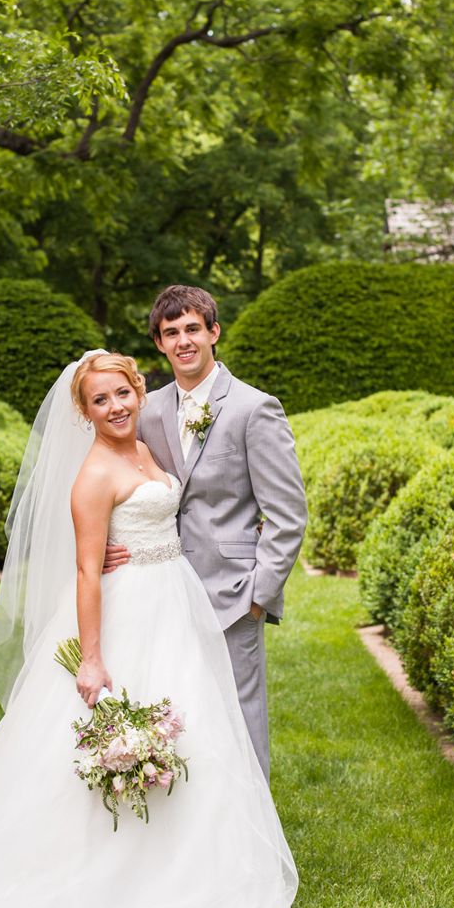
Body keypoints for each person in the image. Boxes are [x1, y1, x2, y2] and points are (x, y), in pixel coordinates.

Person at [0, 351, 298, 908]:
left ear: (139, 392)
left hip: (175, 602)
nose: (115, 407)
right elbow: (88, 572)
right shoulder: (91, 476)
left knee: (193, 725)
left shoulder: (146, 449)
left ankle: (193, 857)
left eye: (122, 393)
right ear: (84, 412)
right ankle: (99, 867)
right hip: (126, 611)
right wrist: (90, 658)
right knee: (112, 732)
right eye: (100, 400)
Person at [104, 286, 307, 780]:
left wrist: (258, 595)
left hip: (232, 593)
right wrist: (107, 544)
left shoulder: (255, 409)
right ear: (159, 343)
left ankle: (252, 844)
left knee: (238, 719)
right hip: (162, 591)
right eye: (171, 333)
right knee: (179, 714)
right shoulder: (147, 411)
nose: (183, 341)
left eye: (193, 328)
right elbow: (121, 481)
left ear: (214, 332)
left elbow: (288, 513)